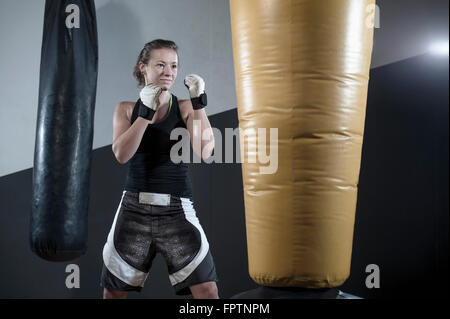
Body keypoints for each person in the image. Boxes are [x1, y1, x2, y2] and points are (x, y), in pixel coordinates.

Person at [100, 39, 218, 299]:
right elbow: (121, 154)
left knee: (208, 290)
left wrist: (200, 104)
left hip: (176, 209)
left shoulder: (186, 107)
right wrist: (144, 113)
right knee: (113, 294)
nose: (169, 72)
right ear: (144, 68)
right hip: (133, 209)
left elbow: (206, 150)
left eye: (174, 66)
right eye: (161, 64)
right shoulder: (126, 109)